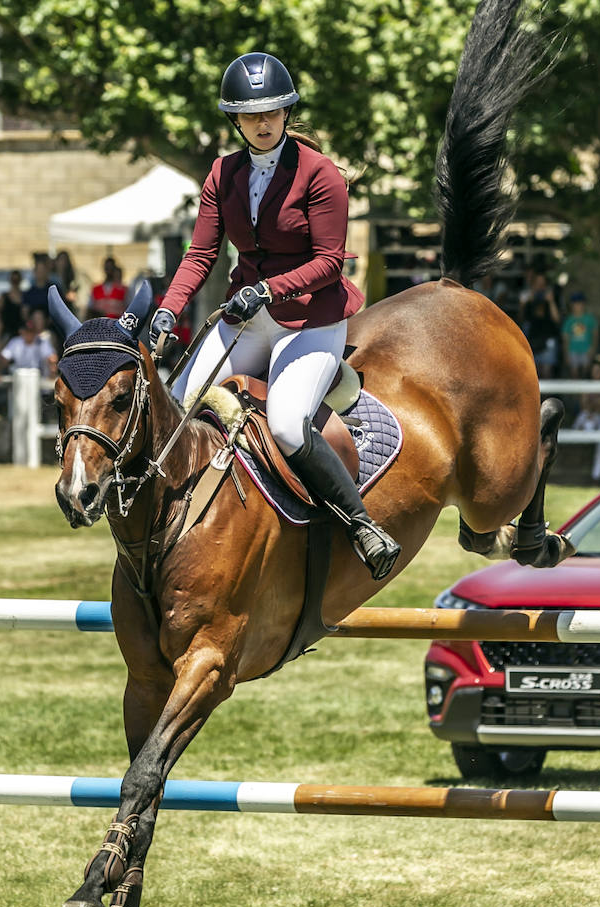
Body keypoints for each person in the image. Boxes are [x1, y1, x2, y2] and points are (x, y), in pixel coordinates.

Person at [149, 51, 400, 580]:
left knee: (287, 423)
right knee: (175, 409)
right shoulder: (223, 173)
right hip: (249, 318)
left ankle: (360, 524)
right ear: (235, 120)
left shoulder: (321, 174)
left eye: (272, 112)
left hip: (311, 318)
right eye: (250, 114)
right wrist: (168, 312)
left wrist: (266, 288)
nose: (262, 123)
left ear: (286, 113)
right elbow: (200, 256)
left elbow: (330, 261)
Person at [0, 311, 58, 377]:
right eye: (27, 331)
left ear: (35, 332)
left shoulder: (42, 342)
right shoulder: (15, 342)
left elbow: (52, 358)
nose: (29, 334)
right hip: (19, 377)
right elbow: (4, 358)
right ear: (22, 332)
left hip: (38, 378)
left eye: (32, 331)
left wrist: (52, 372)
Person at [560, 291, 598, 378]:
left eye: (579, 303)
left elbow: (595, 335)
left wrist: (593, 348)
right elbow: (565, 338)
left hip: (586, 350)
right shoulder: (569, 321)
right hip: (572, 350)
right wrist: (566, 353)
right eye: (575, 304)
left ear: (583, 304)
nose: (577, 306)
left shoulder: (590, 319)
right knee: (574, 374)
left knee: (586, 373)